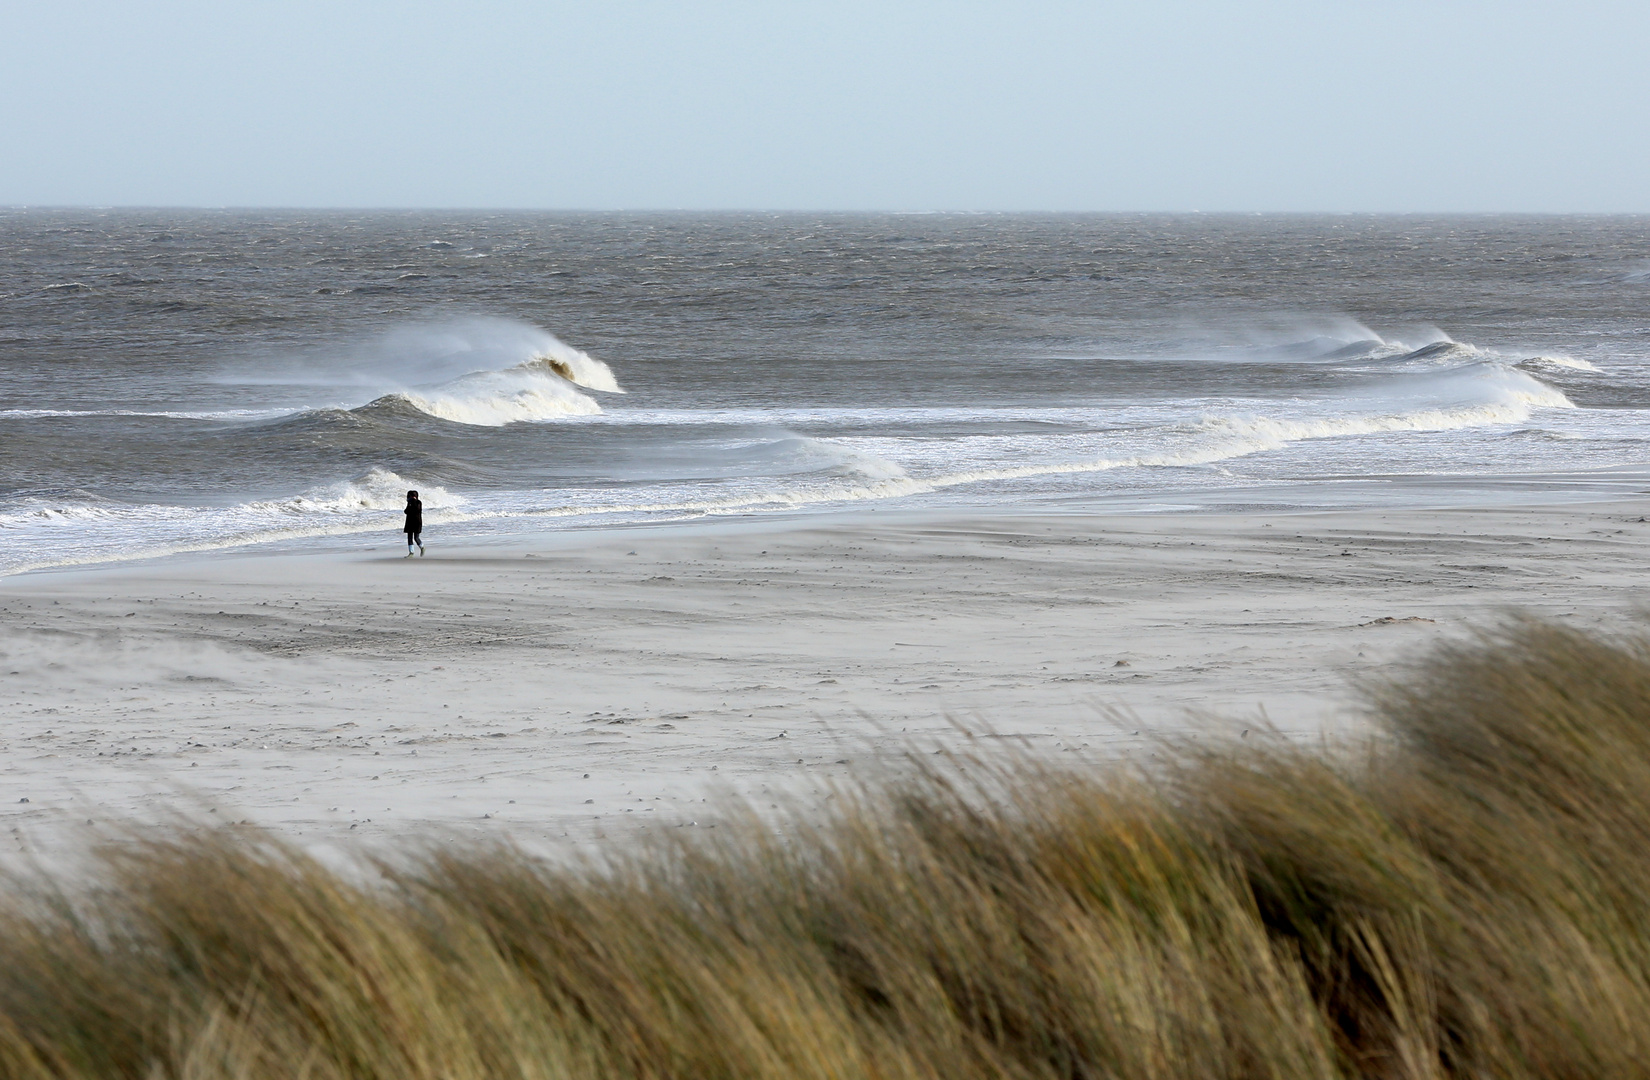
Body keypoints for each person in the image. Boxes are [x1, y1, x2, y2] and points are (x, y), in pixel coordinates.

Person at [403, 490, 424, 557]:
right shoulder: (409, 503)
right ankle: (411, 552)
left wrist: (412, 502)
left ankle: (422, 547)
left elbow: (416, 510)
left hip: (417, 522)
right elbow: (406, 511)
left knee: (416, 538)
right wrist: (409, 503)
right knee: (409, 538)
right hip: (409, 522)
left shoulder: (418, 502)